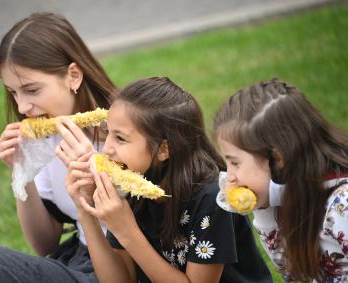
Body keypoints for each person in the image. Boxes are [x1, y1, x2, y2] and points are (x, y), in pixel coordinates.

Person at [0, 12, 115, 283]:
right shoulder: (47, 140)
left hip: (121, 267)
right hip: (79, 260)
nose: (23, 107)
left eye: (32, 90)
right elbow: (44, 244)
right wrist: (22, 173)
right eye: (13, 92)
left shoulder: (124, 132)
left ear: (73, 76)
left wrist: (94, 175)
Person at [61, 77, 272, 283]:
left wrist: (127, 231)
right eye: (108, 132)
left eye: (121, 138)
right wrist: (85, 208)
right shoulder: (134, 181)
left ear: (163, 149)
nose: (106, 148)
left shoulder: (212, 198)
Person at [212, 78, 348, 282]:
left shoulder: (342, 206)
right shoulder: (287, 196)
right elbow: (294, 276)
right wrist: (263, 211)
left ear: (278, 159)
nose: (229, 176)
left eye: (235, 163)